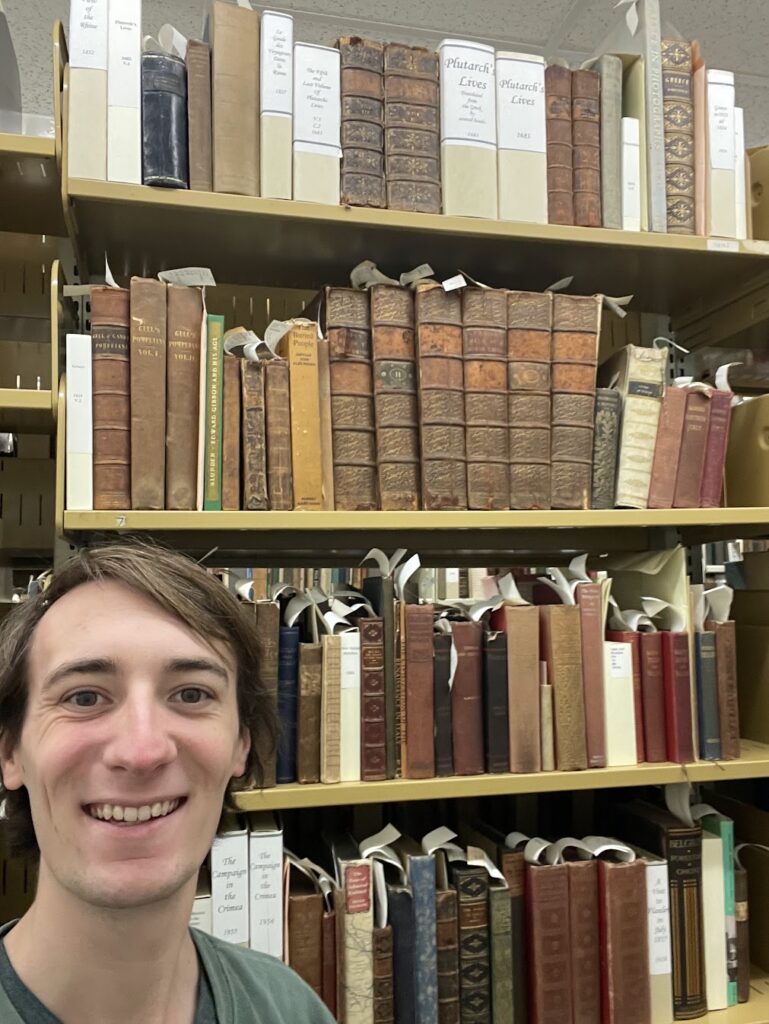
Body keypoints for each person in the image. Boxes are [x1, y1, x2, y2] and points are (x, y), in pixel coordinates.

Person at [0, 542, 336, 1024]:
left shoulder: (290, 1008)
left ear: (241, 743)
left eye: (192, 694)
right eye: (85, 697)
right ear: (10, 752)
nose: (142, 751)